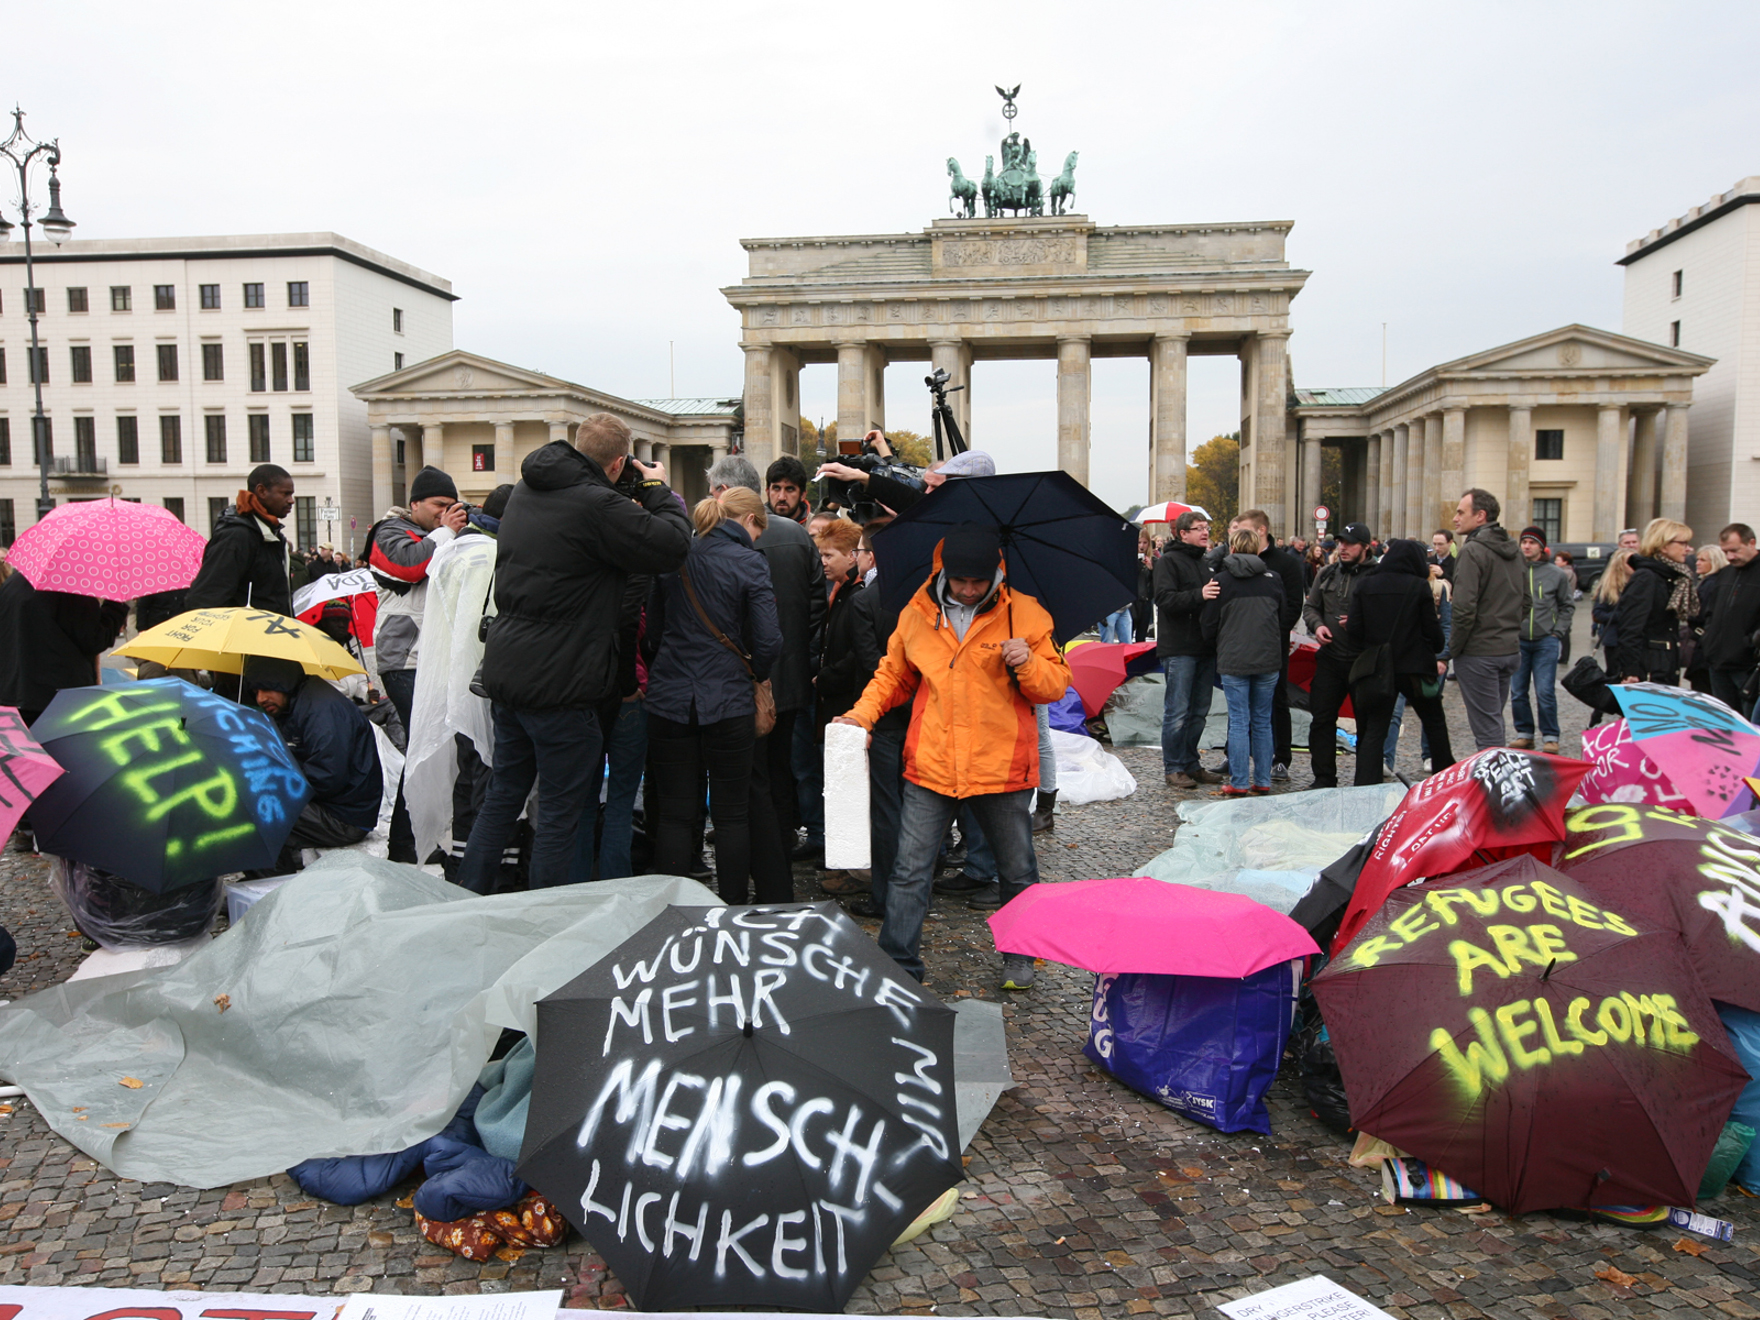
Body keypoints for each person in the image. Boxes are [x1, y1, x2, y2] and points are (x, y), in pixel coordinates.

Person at [457, 413, 691, 892]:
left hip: (510, 670)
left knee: (503, 796)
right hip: (563, 682)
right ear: (618, 462)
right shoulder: (594, 503)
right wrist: (656, 490)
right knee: (562, 814)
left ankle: (470, 895)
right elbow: (670, 544)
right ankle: (550, 916)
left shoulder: (525, 490)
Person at [833, 525, 1070, 989]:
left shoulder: (1026, 614)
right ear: (944, 573)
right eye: (960, 581)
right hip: (933, 763)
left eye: (978, 582)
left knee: (1017, 869)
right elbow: (892, 677)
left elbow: (1055, 686)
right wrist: (861, 716)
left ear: (996, 575)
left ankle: (1021, 957)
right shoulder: (917, 613)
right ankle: (897, 967)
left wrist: (1028, 662)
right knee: (908, 870)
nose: (968, 590)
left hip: (1001, 767)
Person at [644, 488, 782, 904]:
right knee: (731, 815)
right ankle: (733, 907)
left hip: (670, 697)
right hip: (728, 698)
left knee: (674, 813)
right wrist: (757, 672)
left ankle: (674, 908)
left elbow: (653, 632)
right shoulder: (750, 562)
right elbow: (769, 640)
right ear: (750, 521)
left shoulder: (676, 557)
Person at [709, 454, 828, 870]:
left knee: (746, 778)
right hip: (790, 677)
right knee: (781, 774)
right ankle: (776, 855)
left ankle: (753, 859)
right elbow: (817, 605)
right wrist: (800, 652)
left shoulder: (720, 540)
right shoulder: (797, 537)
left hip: (740, 680)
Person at [368, 464, 470, 863]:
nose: (445, 512)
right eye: (437, 506)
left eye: (451, 506)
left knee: (436, 755)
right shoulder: (389, 532)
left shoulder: (442, 535)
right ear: (414, 504)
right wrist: (446, 532)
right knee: (423, 753)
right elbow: (408, 566)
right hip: (405, 661)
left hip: (434, 659)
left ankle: (424, 845)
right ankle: (407, 850)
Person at [249, 655, 383, 871]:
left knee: (257, 807)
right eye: (256, 692)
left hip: (344, 819)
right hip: (333, 807)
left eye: (266, 689)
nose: (261, 699)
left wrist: (274, 781)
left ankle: (269, 885)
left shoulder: (321, 710)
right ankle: (276, 872)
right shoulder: (299, 703)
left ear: (283, 682)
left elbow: (327, 777)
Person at [1346, 539, 1455, 785]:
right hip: (1415, 668)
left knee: (1375, 728)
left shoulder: (1366, 585)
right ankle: (1445, 778)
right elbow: (1433, 631)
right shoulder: (1418, 586)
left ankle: (1365, 784)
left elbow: (1354, 629)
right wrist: (1436, 648)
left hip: (1378, 667)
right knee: (1434, 722)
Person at [844, 517, 903, 920]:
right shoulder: (918, 597)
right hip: (919, 716)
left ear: (871, 554)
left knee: (885, 812)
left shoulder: (863, 601)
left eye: (860, 552)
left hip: (882, 717)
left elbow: (870, 665)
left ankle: (885, 895)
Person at [1201, 526, 1287, 797]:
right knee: (1262, 720)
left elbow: (1209, 623)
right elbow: (1283, 617)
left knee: (1238, 720)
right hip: (1267, 658)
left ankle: (1238, 781)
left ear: (1233, 548)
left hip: (1234, 657)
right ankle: (1262, 778)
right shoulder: (1274, 579)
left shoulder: (1222, 582)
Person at [1225, 510, 1304, 780]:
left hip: (1272, 644)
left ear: (1259, 531)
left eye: (1241, 529)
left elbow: (1293, 606)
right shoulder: (1230, 563)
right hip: (1240, 644)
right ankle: (1234, 757)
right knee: (1238, 707)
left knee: (1277, 702)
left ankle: (1281, 758)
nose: (1235, 533)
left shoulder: (1286, 564)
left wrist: (1271, 633)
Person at [1444, 488, 1523, 750]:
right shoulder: (1513, 549)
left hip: (1480, 653)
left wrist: (1452, 650)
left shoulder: (1473, 551)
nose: (1455, 518)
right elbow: (1527, 601)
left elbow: (1464, 609)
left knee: (1488, 731)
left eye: (1460, 512)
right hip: (1508, 650)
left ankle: (1494, 788)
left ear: (1480, 516)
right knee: (1493, 722)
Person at [1301, 523, 1372, 788]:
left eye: (1350, 543)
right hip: (1330, 658)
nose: (1343, 548)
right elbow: (1311, 608)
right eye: (1341, 542)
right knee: (1321, 720)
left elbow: (1385, 617)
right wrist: (1317, 625)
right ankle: (1323, 777)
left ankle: (1365, 781)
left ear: (1365, 547)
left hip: (1363, 661)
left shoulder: (1376, 576)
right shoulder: (1328, 574)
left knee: (1367, 724)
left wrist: (1359, 622)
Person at [1154, 509, 1220, 789]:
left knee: (1199, 711)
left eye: (1206, 527)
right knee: (1178, 711)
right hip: (1179, 648)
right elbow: (1164, 599)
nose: (1205, 532)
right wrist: (1199, 595)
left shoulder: (1205, 563)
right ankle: (1174, 767)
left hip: (1205, 647)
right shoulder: (1168, 562)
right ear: (1183, 533)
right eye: (1199, 528)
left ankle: (1191, 764)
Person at [185, 463, 297, 615]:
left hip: (271, 632)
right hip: (247, 634)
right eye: (285, 494)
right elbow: (206, 597)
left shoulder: (273, 536)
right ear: (262, 491)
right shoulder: (236, 536)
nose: (291, 501)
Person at [1509, 526, 1575, 754]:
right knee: (1517, 690)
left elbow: (1567, 605)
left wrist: (1558, 632)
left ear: (1541, 547)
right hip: (1518, 640)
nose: (1527, 546)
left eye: (1532, 542)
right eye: (1524, 542)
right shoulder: (1513, 570)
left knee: (1545, 690)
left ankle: (1550, 735)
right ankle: (1524, 733)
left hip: (1545, 639)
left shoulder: (1555, 573)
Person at [1614, 517, 1698, 686]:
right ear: (1664, 546)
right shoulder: (1647, 577)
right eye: (1682, 543)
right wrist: (1631, 670)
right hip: (1649, 669)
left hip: (1664, 666)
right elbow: (1631, 626)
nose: (1687, 549)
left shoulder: (1673, 577)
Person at [1699, 524, 1760, 711]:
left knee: (1750, 727)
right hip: (1718, 662)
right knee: (1725, 726)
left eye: (1734, 550)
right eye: (1725, 552)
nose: (1730, 557)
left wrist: (1750, 643)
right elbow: (1711, 611)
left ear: (1751, 543)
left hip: (1747, 665)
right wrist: (1708, 637)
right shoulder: (1726, 573)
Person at [766, 457, 813, 527]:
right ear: (768, 492)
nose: (782, 497)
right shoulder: (753, 524)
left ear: (803, 495)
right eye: (776, 488)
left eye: (790, 489)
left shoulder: (815, 527)